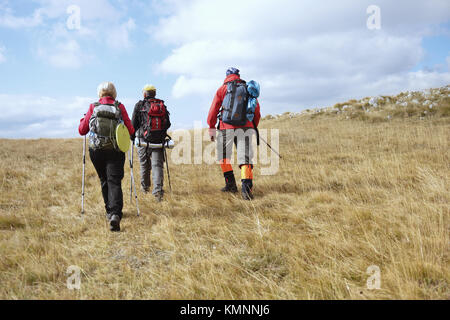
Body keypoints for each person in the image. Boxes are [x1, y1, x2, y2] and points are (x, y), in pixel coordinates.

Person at [78, 82, 135, 232]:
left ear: (100, 93)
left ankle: (109, 211)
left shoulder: (93, 106)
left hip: (96, 150)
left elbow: (82, 130)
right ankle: (116, 214)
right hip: (115, 150)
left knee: (104, 179)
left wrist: (82, 121)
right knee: (114, 180)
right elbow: (130, 129)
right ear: (114, 93)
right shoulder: (119, 106)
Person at [207, 67, 261, 200]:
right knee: (245, 158)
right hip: (245, 127)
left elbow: (213, 109)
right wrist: (252, 125)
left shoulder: (222, 89)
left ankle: (230, 184)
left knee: (223, 156)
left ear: (226, 76)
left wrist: (211, 126)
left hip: (226, 127)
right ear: (238, 75)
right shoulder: (248, 88)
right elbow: (256, 110)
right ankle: (246, 191)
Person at [131, 84, 171, 202]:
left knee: (144, 164)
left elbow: (133, 123)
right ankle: (158, 193)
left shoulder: (139, 105)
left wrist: (133, 138)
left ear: (144, 94)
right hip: (158, 140)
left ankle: (145, 189)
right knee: (157, 165)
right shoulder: (161, 105)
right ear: (155, 93)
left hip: (142, 139)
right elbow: (168, 123)